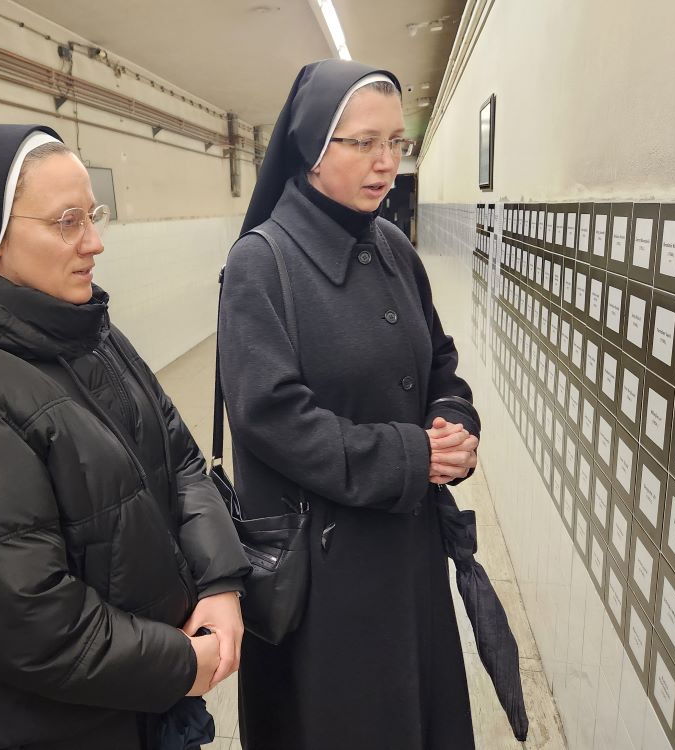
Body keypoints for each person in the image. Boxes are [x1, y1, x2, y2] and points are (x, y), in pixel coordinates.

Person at [0, 124, 250, 750]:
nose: (94, 243)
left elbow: (178, 459)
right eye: (67, 221)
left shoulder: (87, 333)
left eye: (92, 216)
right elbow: (32, 620)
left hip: (138, 708)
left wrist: (219, 584)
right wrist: (181, 663)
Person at [218, 60, 481, 750]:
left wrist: (454, 427)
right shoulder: (262, 262)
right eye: (362, 142)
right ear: (311, 145)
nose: (386, 162)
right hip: (329, 576)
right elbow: (271, 416)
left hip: (411, 554)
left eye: (396, 142)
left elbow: (440, 361)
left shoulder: (393, 245)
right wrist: (407, 456)